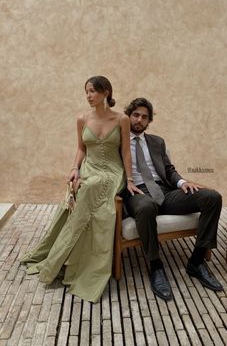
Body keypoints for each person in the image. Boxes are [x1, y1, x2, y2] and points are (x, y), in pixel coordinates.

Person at [21, 76, 141, 303]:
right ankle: (64, 257)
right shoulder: (82, 119)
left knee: (91, 188)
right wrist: (75, 168)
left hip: (113, 173)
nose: (88, 95)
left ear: (106, 92)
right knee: (84, 185)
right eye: (86, 91)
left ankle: (85, 266)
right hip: (90, 168)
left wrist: (131, 179)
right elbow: (80, 148)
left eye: (93, 91)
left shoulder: (122, 119)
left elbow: (126, 152)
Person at [122, 97, 223, 301]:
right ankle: (155, 265)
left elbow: (169, 170)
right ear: (128, 116)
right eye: (136, 115)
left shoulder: (157, 142)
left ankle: (196, 261)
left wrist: (182, 182)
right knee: (147, 207)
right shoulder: (117, 141)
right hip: (136, 193)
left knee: (212, 197)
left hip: (165, 191)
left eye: (144, 117)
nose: (139, 119)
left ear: (149, 121)